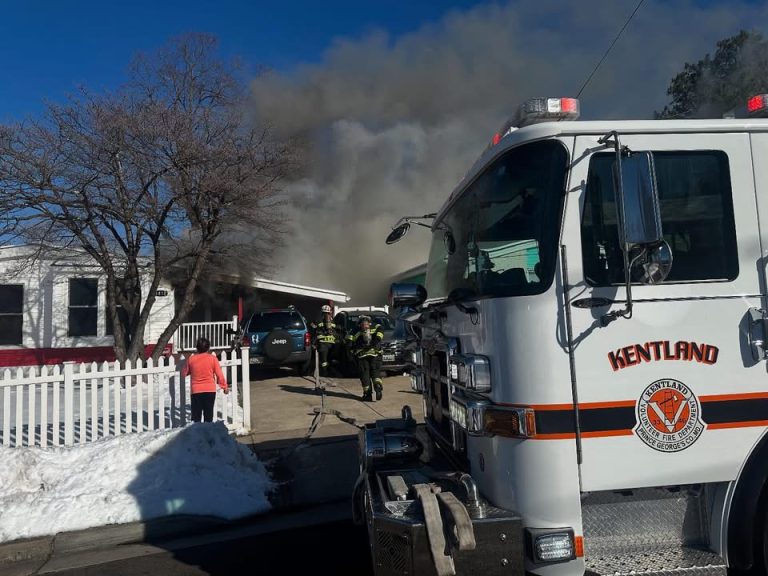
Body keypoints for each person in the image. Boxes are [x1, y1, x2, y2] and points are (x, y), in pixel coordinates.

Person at [180, 337, 229, 423]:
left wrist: (192, 370)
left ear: (197, 348)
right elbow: (219, 374)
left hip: (196, 391)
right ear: (208, 348)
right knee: (208, 416)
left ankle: (197, 431)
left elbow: (184, 373)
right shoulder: (213, 358)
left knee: (196, 418)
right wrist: (224, 387)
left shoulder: (191, 359)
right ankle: (208, 430)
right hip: (210, 390)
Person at [351, 315, 384, 401]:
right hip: (375, 354)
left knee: (365, 375)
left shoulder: (355, 331)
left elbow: (349, 342)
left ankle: (367, 395)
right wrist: (374, 343)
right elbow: (380, 335)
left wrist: (352, 351)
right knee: (375, 372)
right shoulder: (377, 327)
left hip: (362, 356)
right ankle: (377, 386)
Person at [310, 304, 337, 376]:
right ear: (329, 312)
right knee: (329, 359)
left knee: (323, 360)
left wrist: (313, 342)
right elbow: (335, 331)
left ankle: (325, 373)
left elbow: (312, 329)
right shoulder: (332, 320)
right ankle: (330, 372)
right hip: (332, 343)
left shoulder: (318, 319)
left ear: (322, 311)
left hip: (322, 343)